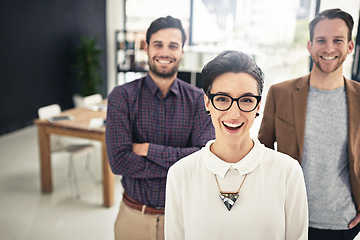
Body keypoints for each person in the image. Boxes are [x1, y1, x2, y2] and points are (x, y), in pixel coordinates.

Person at [165, 50, 308, 239]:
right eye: (222, 99)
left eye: (246, 100)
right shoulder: (180, 174)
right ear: (207, 103)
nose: (234, 114)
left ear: (258, 106)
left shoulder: (288, 171)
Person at [105, 16, 215, 240]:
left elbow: (204, 160)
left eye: (173, 46)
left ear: (182, 51)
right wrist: (180, 164)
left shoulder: (198, 100)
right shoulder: (122, 96)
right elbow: (118, 161)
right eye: (158, 44)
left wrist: (147, 150)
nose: (165, 52)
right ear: (146, 48)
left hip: (183, 220)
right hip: (133, 218)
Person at [258, 8, 360, 240]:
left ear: (350, 47)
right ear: (310, 46)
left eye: (338, 40)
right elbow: (261, 153)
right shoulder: (280, 93)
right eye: (321, 40)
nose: (329, 48)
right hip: (288, 218)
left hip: (343, 223)